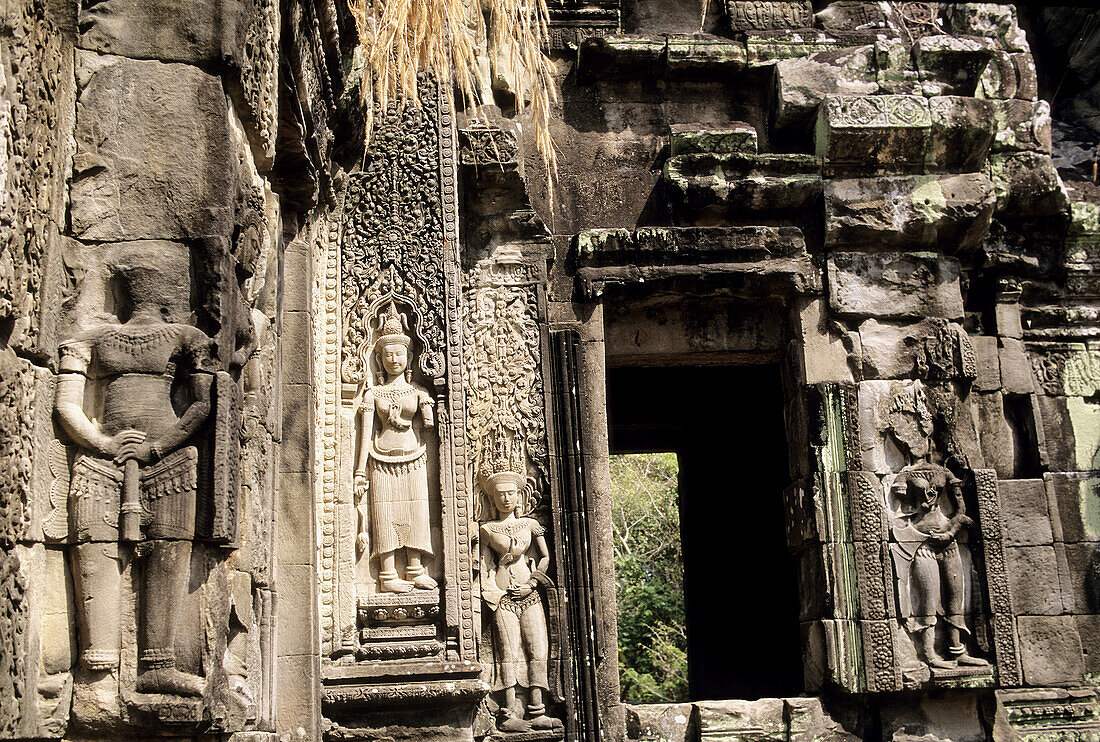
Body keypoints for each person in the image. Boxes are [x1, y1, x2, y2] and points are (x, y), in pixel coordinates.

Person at [55, 255, 215, 696]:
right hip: (102, 461)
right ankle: (99, 662)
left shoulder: (188, 338)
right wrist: (102, 443)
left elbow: (203, 405)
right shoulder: (90, 339)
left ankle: (157, 664)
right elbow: (66, 405)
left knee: (168, 552)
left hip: (169, 461)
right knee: (98, 550)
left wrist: (157, 447)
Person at [354, 302, 437, 593]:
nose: (393, 358)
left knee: (416, 514)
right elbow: (365, 433)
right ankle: (388, 575)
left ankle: (415, 569)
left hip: (414, 456)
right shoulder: (373, 393)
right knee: (385, 516)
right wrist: (358, 472)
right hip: (380, 457)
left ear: (409, 356)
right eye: (387, 353)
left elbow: (429, 424)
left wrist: (428, 407)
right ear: (379, 358)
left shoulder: (420, 391)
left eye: (399, 353)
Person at [479, 470, 561, 732]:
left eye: (510, 493)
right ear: (492, 498)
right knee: (509, 652)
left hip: (530, 595)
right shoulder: (488, 529)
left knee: (537, 649)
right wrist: (497, 576)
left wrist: (533, 582)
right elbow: (481, 566)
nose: (505, 498)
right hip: (503, 598)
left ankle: (537, 709)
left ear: (519, 496)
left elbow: (546, 557)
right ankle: (508, 712)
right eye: (500, 494)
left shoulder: (530, 524)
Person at [891, 463, 988, 670]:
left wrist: (952, 531)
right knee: (929, 598)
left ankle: (957, 649)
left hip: (949, 542)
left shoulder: (945, 471)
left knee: (955, 598)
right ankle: (928, 652)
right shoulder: (906, 474)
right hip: (922, 544)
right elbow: (901, 503)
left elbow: (960, 510)